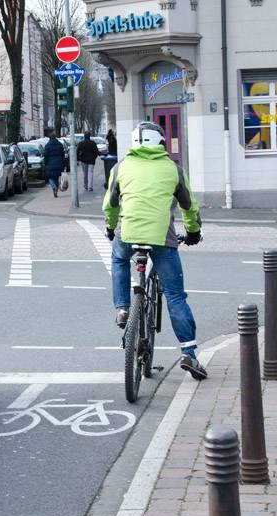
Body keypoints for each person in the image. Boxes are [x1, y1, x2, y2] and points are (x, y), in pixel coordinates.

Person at [102, 121, 207, 380]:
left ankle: (123, 308)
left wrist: (110, 227)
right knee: (174, 295)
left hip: (128, 233)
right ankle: (189, 353)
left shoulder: (121, 167)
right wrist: (193, 232)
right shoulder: (173, 169)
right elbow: (189, 207)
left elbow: (110, 204)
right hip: (162, 238)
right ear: (160, 142)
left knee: (118, 258)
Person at [41, 129, 66, 198]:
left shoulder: (47, 145)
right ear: (55, 137)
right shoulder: (60, 145)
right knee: (56, 177)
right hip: (59, 164)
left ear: (49, 138)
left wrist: (45, 163)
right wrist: (64, 164)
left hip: (50, 164)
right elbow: (63, 155)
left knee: (50, 178)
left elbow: (45, 156)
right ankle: (56, 190)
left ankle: (54, 187)